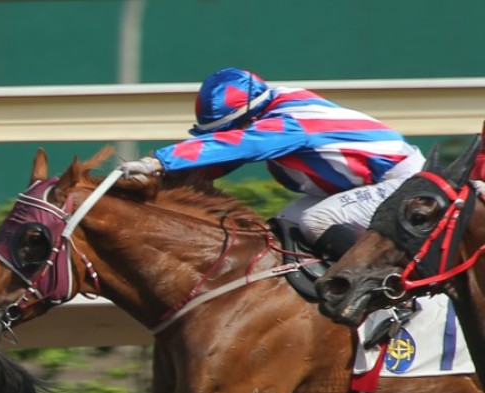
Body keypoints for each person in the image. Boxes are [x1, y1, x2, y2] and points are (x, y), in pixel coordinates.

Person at [118, 67, 425, 261]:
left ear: (250, 118)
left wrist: (159, 161)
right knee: (283, 227)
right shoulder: (268, 111)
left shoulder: (288, 122)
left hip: (405, 182)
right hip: (370, 185)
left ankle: (386, 286)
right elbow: (223, 157)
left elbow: (240, 144)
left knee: (317, 220)